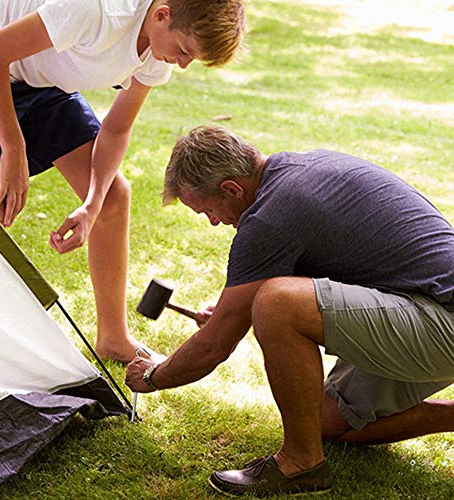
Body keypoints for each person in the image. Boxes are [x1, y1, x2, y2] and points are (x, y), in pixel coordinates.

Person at [125, 125, 454, 496]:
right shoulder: (299, 172)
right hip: (423, 305)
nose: (214, 222)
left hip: (442, 318)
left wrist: (153, 376)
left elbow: (214, 346)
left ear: (231, 189)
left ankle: (301, 464)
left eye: (208, 210)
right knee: (326, 421)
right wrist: (233, 310)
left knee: (277, 303)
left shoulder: (268, 217)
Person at [0, 0, 245, 363]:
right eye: (184, 51)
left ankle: (113, 338)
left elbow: (117, 128)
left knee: (113, 196)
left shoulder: (157, 53)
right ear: (162, 15)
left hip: (40, 81)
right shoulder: (97, 9)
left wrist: (91, 205)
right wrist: (13, 149)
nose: (182, 64)